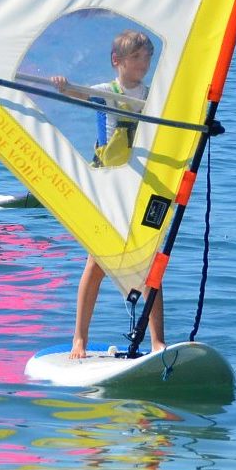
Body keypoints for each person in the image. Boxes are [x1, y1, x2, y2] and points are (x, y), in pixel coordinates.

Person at [51, 30, 165, 359]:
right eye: (136, 58)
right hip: (108, 186)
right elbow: (76, 94)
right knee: (96, 263)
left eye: (147, 58)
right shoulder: (106, 91)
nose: (143, 64)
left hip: (141, 186)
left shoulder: (153, 95)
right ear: (118, 61)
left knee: (151, 264)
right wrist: (64, 84)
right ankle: (79, 340)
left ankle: (157, 341)